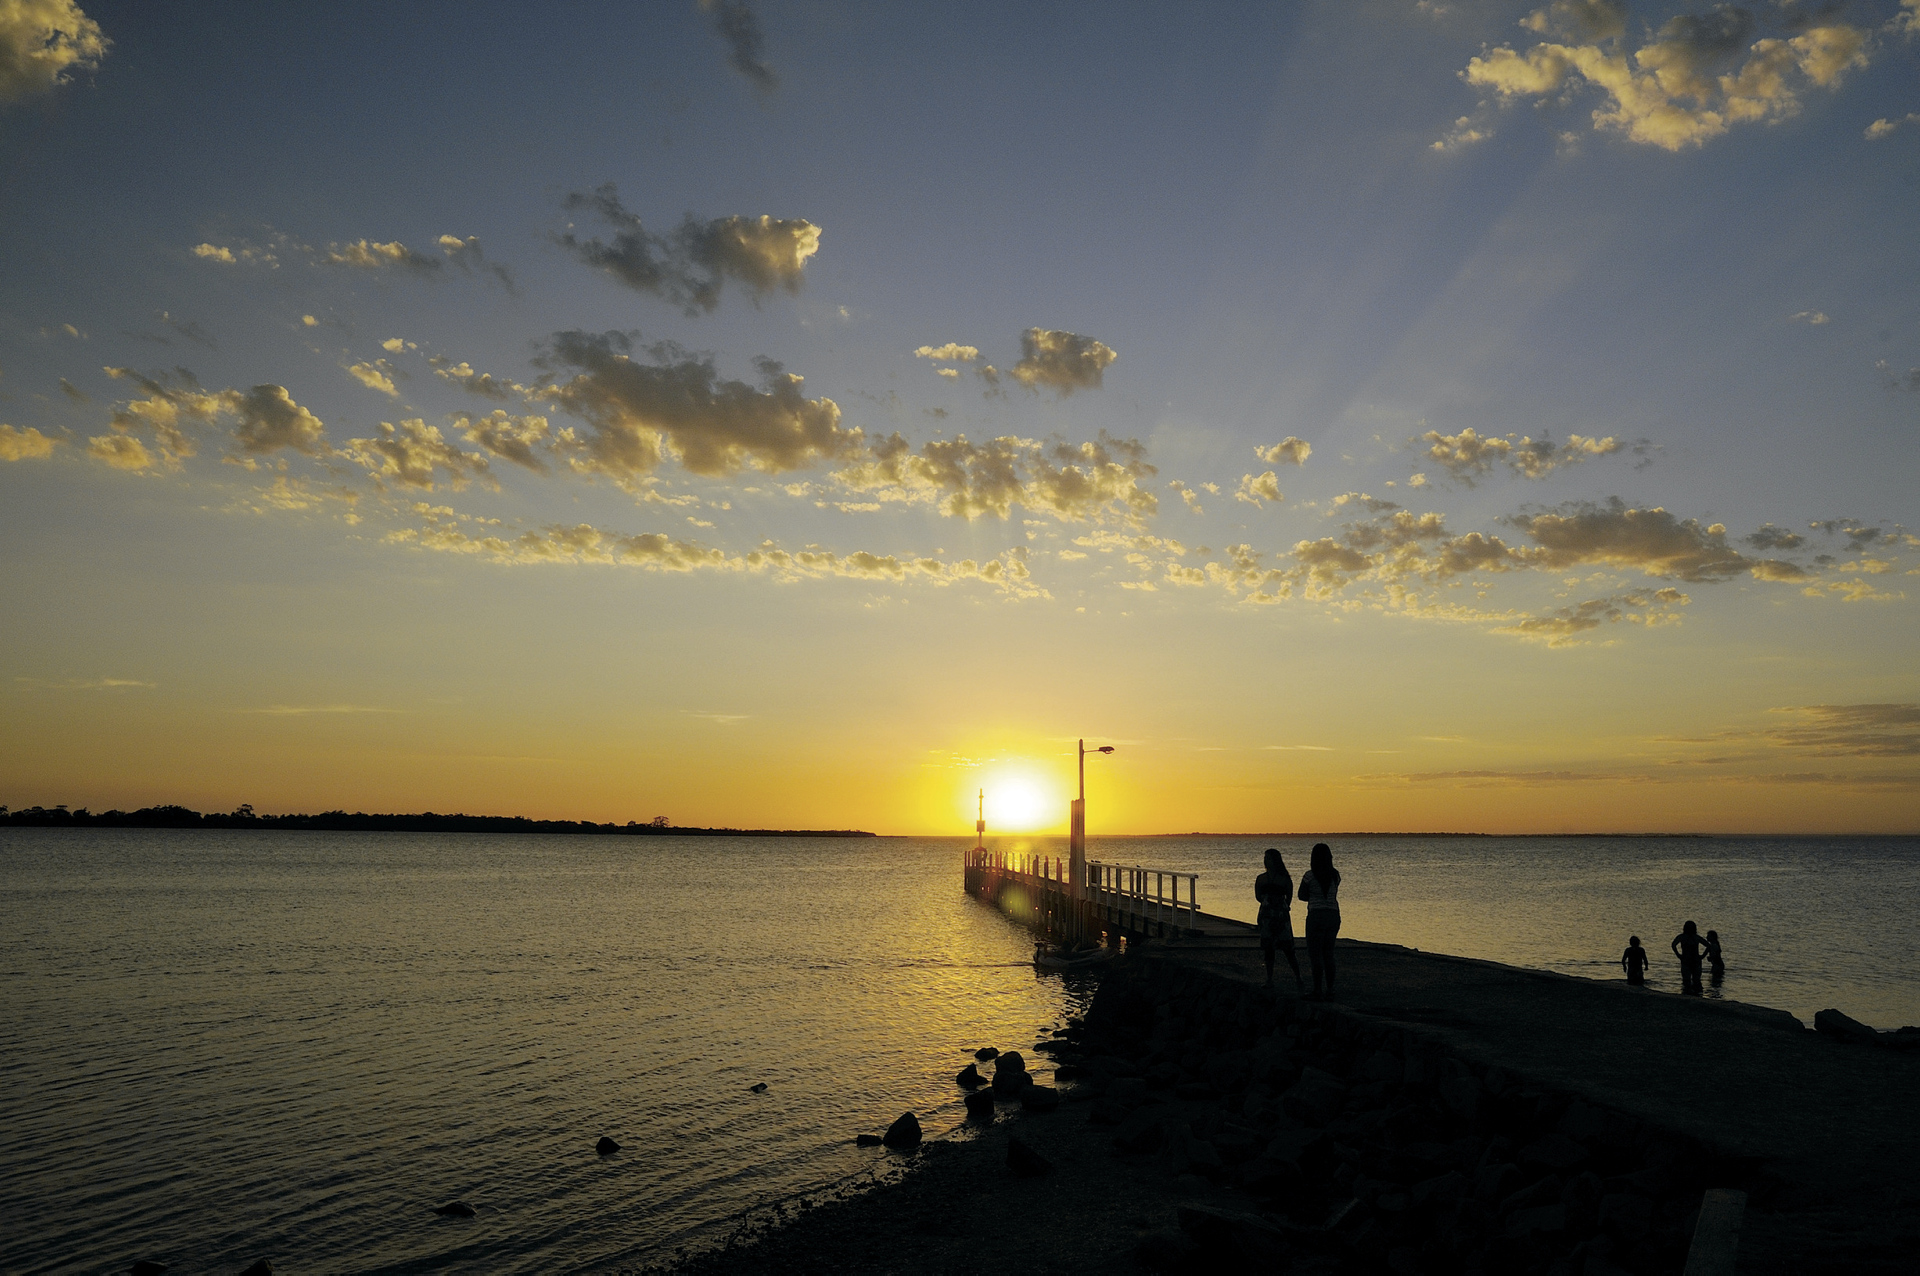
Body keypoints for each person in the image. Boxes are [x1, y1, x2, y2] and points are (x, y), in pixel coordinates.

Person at [1254, 848, 1304, 991]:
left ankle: (1298, 977)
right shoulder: (1261, 878)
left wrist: (1278, 907)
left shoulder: (1284, 878)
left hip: (1281, 917)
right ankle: (1269, 979)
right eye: (1265, 858)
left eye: (1269, 858)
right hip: (1266, 916)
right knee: (1268, 949)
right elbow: (1258, 896)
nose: (1266, 860)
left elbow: (1289, 898)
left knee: (1288, 949)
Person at [1298, 842, 1341, 1000]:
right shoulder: (1335, 875)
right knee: (1328, 953)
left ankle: (1317, 989)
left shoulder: (1309, 876)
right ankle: (1330, 989)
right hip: (1333, 915)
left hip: (1316, 915)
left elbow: (1301, 895)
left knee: (1315, 954)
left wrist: (1313, 896)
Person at [1671, 920, 1708, 996]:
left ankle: (1687, 994)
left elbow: (1673, 945)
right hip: (1693, 961)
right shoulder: (1695, 937)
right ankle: (1696, 995)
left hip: (1688, 960)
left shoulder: (1682, 937)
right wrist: (1702, 956)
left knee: (1688, 980)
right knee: (1695, 980)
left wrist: (1678, 954)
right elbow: (1708, 946)